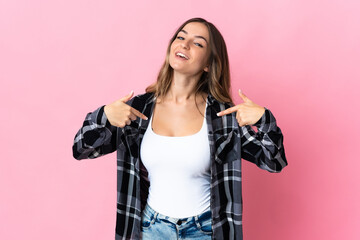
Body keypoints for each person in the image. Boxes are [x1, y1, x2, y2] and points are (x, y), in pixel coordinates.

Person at [72, 17, 288, 240]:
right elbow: (81, 149)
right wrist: (104, 114)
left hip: (205, 231)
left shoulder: (222, 116)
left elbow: (274, 161)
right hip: (150, 229)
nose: (184, 44)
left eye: (198, 43)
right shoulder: (138, 110)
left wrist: (264, 119)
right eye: (181, 37)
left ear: (208, 64)